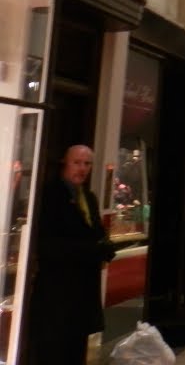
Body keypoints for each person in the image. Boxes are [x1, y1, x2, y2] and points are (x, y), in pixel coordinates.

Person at [28, 145, 116, 365]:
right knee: (54, 351)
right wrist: (93, 250)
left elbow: (95, 232)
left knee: (76, 350)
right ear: (64, 164)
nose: (83, 169)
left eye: (87, 164)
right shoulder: (50, 195)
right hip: (58, 293)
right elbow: (48, 245)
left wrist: (105, 247)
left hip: (82, 294)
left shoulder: (88, 197)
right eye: (77, 162)